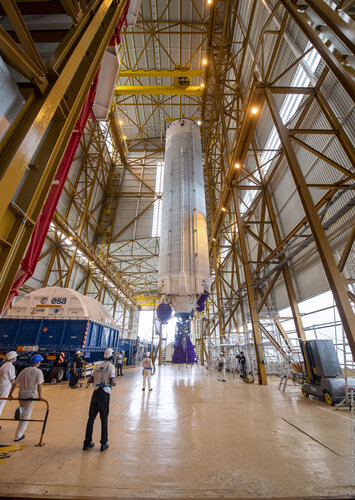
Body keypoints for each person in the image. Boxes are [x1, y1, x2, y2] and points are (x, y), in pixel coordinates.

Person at [83, 348, 116, 452]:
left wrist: (98, 379)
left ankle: (87, 443)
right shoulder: (111, 366)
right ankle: (104, 443)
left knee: (91, 418)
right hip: (104, 393)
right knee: (104, 418)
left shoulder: (97, 366)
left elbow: (90, 380)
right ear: (111, 357)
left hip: (95, 393)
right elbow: (112, 381)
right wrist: (114, 383)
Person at [8, 354, 44, 442]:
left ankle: (20, 409)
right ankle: (18, 436)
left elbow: (15, 383)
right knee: (26, 416)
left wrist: (10, 394)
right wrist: (40, 396)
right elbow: (39, 385)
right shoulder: (38, 372)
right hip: (30, 395)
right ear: (38, 362)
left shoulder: (24, 370)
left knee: (23, 407)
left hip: (21, 394)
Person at [0, 351, 17, 429]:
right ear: (13, 358)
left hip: (1, 386)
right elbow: (13, 381)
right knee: (1, 405)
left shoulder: (3, 365)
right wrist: (11, 394)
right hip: (5, 388)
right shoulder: (10, 367)